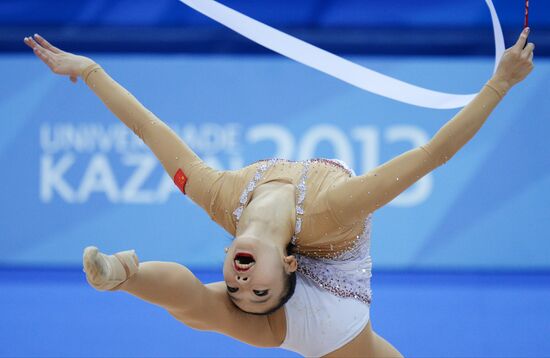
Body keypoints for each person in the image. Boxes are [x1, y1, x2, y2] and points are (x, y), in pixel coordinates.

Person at [24, 28, 534, 357]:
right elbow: (432, 155)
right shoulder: (335, 209)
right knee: (214, 310)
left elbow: (147, 130)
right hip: (333, 308)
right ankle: (124, 274)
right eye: (257, 290)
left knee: (206, 309)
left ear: (228, 255)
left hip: (305, 314)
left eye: (238, 287)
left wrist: (90, 70)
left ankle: (122, 274)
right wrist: (501, 83)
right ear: (289, 266)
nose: (243, 285)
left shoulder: (222, 197)